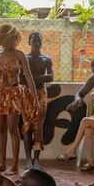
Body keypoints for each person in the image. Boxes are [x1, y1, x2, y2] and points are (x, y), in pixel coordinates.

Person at [0, 24, 39, 175]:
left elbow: (28, 76)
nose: (13, 41)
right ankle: (3, 163)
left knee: (13, 129)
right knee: (1, 129)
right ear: (1, 39)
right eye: (9, 38)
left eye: (14, 38)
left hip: (14, 94)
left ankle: (15, 165)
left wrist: (35, 97)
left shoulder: (19, 55)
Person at [58, 88, 94, 171]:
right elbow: (88, 114)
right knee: (88, 130)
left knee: (85, 120)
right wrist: (91, 119)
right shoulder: (93, 95)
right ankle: (90, 162)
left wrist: (92, 118)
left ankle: (72, 150)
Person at [25, 32, 53, 167]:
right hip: (27, 94)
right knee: (27, 126)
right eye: (34, 40)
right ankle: (28, 159)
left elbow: (51, 77)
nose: (36, 43)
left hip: (41, 94)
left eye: (39, 40)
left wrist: (31, 78)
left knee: (39, 126)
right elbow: (21, 78)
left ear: (42, 43)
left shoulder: (46, 59)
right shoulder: (24, 58)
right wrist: (40, 78)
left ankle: (36, 159)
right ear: (29, 42)